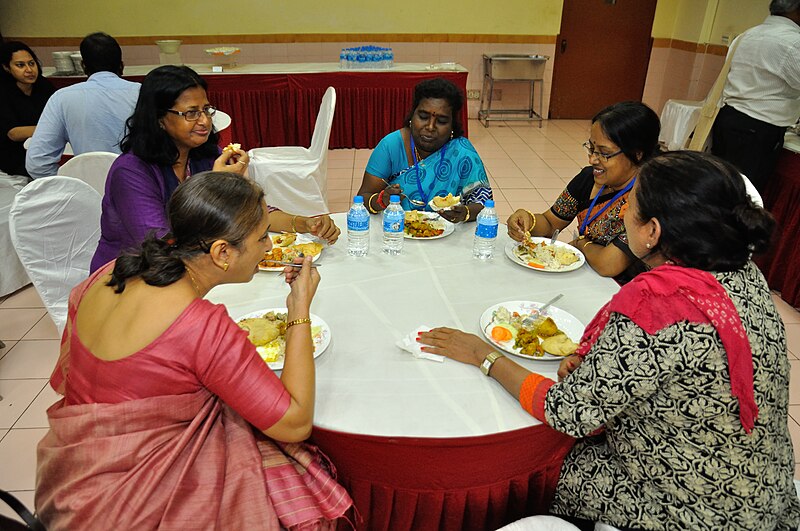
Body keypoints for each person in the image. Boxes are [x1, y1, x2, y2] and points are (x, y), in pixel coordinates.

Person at [420, 151, 800, 530]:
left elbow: (568, 411)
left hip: (690, 509)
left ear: (652, 231)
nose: (621, 216)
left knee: (529, 463)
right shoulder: (745, 274)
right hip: (763, 490)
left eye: (629, 208)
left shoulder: (658, 307)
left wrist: (483, 354)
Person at [36, 171, 353, 529]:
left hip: (76, 466)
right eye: (263, 237)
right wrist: (299, 312)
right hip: (136, 497)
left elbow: (73, 374)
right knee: (304, 481)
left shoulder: (109, 273)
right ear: (221, 252)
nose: (269, 247)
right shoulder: (200, 326)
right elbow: (294, 423)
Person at [90, 65, 339, 272]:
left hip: (191, 269)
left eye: (206, 110)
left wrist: (303, 223)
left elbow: (249, 212)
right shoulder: (132, 172)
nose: (205, 121)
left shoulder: (203, 155)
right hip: (132, 278)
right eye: (191, 113)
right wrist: (213, 188)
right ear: (159, 119)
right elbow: (162, 247)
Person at [506, 101, 660, 283]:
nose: (592, 159)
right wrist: (528, 220)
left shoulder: (643, 199)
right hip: (584, 275)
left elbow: (608, 264)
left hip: (622, 289)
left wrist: (580, 243)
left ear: (637, 153)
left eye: (604, 153)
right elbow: (550, 222)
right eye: (591, 149)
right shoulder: (589, 179)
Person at [356, 77, 492, 222]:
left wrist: (465, 213)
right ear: (412, 116)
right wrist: (381, 199)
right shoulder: (391, 145)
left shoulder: (462, 151)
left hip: (448, 236)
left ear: (452, 125)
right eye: (423, 117)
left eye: (441, 121)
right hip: (396, 233)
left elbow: (485, 206)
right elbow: (362, 198)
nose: (430, 127)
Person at [710, 0, 800, 193]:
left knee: (719, 186)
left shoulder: (748, 34)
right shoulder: (793, 42)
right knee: (743, 196)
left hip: (728, 119)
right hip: (757, 129)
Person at [25, 32, 141, 179]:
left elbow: (37, 162)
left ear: (83, 66)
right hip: (138, 187)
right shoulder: (143, 93)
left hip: (87, 189)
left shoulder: (62, 98)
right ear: (122, 65)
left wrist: (70, 185)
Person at [0, 41, 54, 180]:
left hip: (43, 149)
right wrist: (53, 128)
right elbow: (13, 133)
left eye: (31, 63)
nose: (29, 70)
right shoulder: (4, 93)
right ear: (6, 68)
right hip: (13, 157)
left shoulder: (44, 86)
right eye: (20, 65)